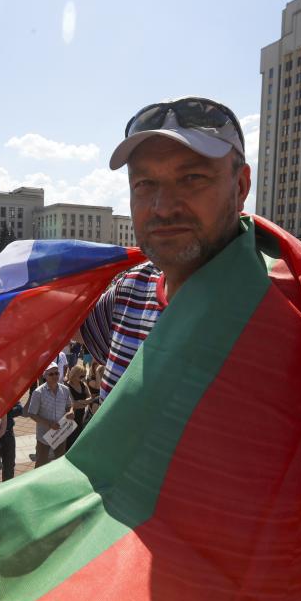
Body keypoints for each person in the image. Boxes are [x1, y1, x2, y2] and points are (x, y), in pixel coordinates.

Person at [80, 96, 250, 399]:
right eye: (144, 183)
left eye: (192, 177)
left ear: (240, 187)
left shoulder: (295, 318)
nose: (163, 207)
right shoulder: (128, 292)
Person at [27, 362, 72, 467]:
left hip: (60, 432)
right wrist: (49, 423)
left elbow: (69, 405)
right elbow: (32, 414)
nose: (55, 376)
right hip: (44, 435)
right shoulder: (38, 392)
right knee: (41, 462)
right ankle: (37, 482)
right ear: (45, 376)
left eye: (56, 373)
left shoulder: (65, 389)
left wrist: (71, 411)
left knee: (60, 461)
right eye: (51, 374)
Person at [64, 363, 93, 451]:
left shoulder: (83, 384)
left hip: (81, 415)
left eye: (84, 375)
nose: (83, 378)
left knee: (78, 436)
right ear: (74, 375)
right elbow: (73, 404)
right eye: (81, 376)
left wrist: (80, 402)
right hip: (72, 416)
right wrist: (84, 403)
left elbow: (90, 398)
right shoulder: (67, 386)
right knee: (70, 438)